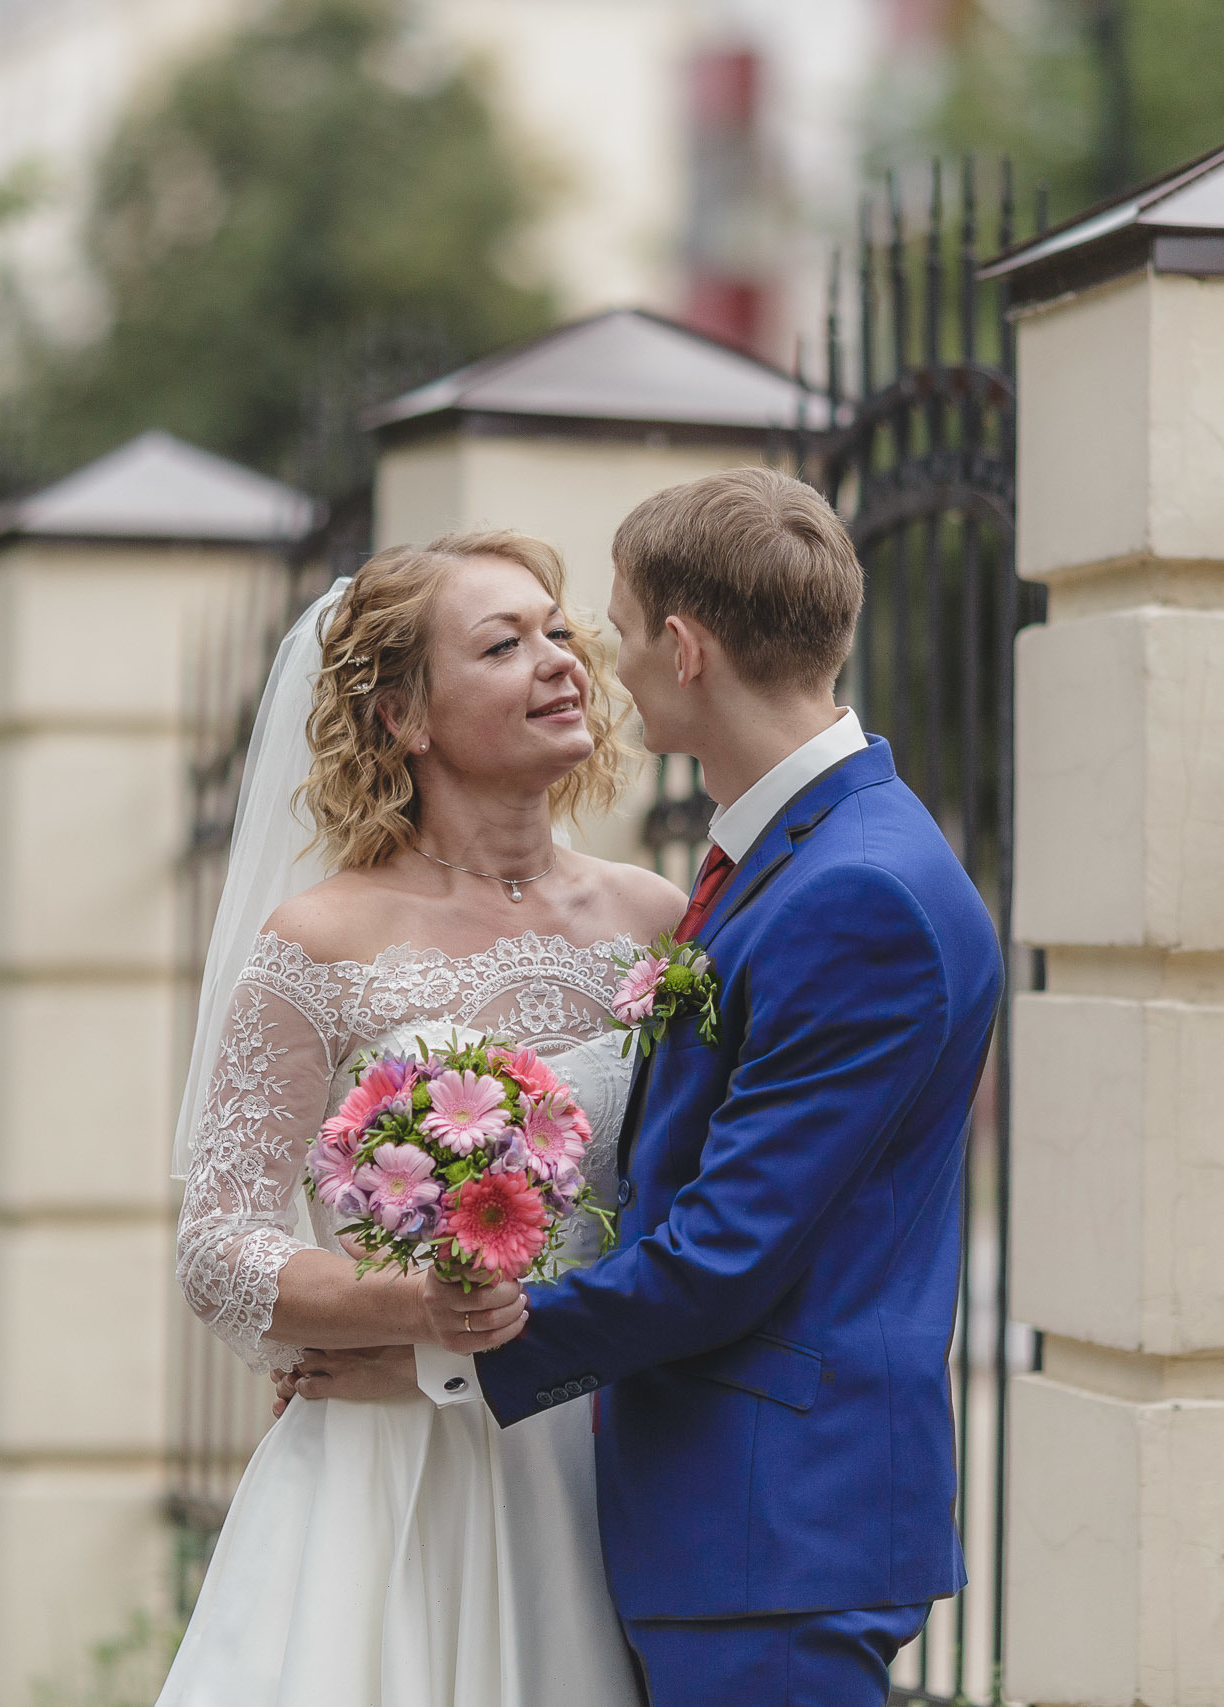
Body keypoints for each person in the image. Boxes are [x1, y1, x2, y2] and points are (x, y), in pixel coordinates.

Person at [436, 466, 1005, 1705]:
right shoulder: (807, 853)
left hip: (771, 1530)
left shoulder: (861, 894)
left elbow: (721, 1253)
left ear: (684, 648)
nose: (606, 662)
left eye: (623, 628)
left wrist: (446, 1354)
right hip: (734, 1519)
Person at [160, 528, 685, 1707]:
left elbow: (699, 1217)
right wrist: (416, 1308)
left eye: (560, 633)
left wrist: (487, 1346)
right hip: (388, 1473)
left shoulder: (656, 924)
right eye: (503, 644)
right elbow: (218, 1241)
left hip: (599, 1453)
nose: (560, 662)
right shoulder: (321, 942)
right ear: (403, 715)